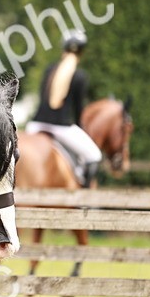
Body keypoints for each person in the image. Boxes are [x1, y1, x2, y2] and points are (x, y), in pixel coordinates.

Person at [25, 29, 103, 187]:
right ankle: (85, 199)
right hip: (61, 127)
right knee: (94, 155)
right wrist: (81, 128)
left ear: (63, 48)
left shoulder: (49, 70)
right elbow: (78, 110)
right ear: (82, 51)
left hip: (36, 124)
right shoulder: (80, 76)